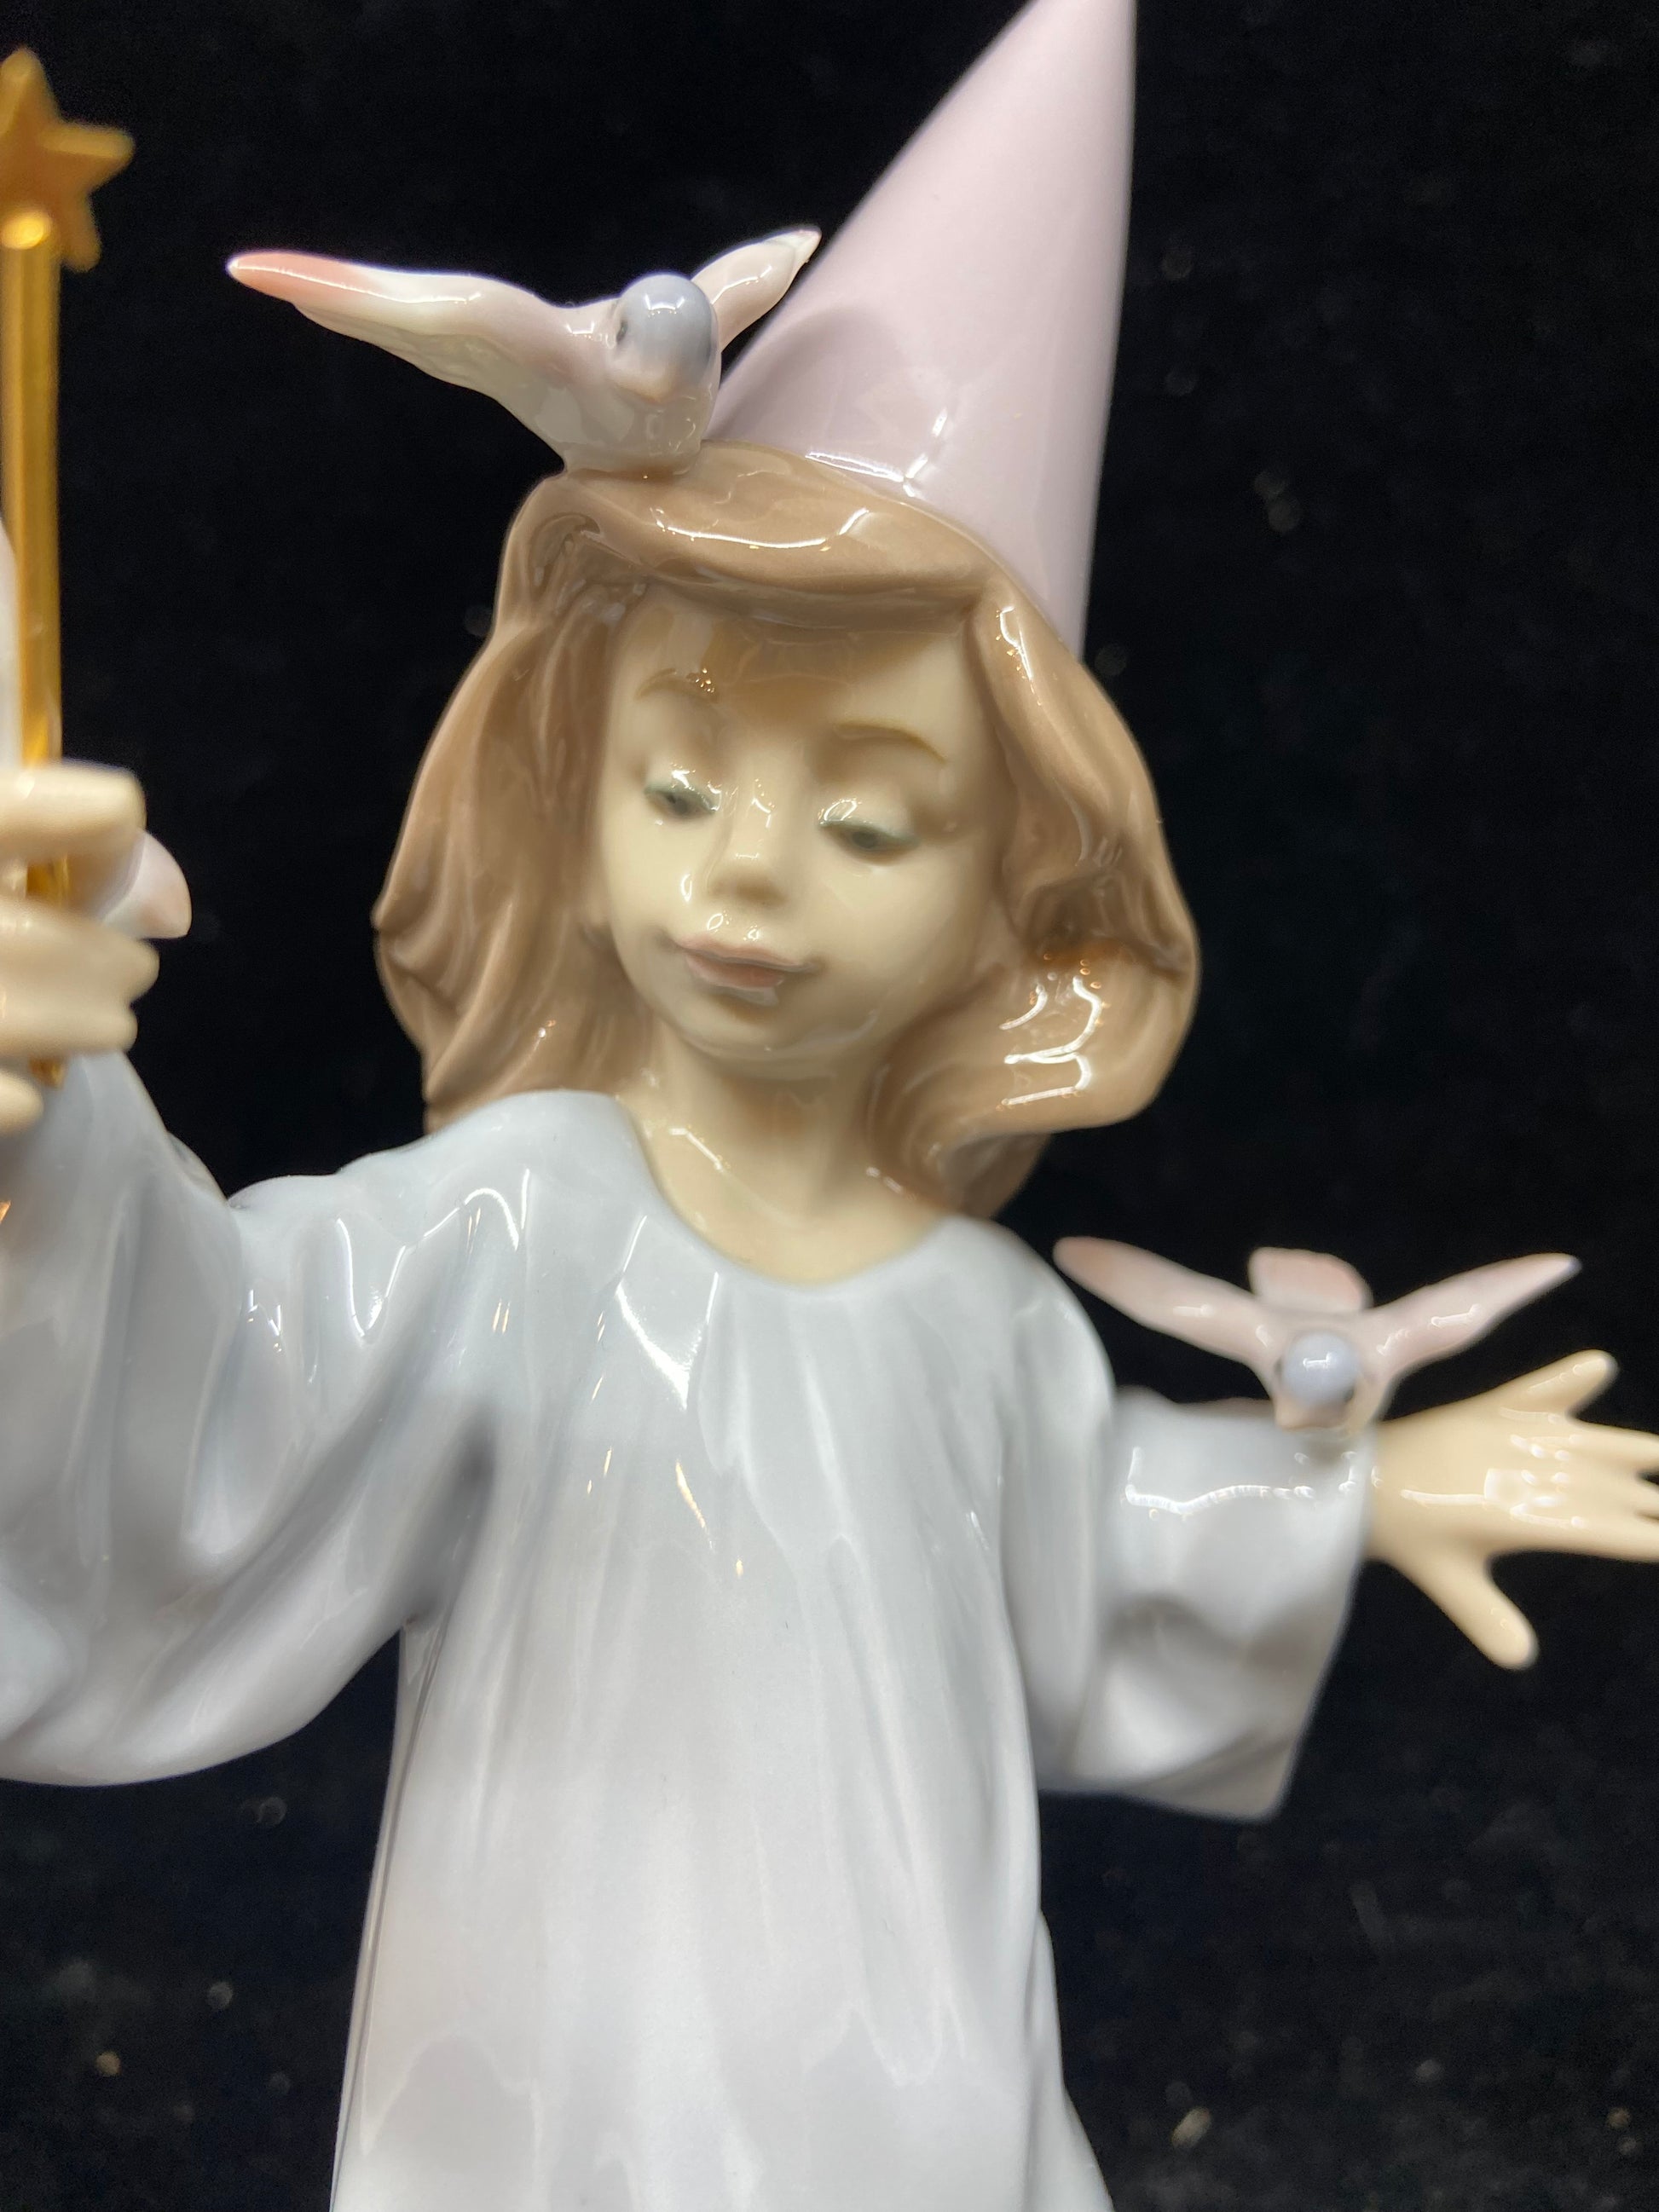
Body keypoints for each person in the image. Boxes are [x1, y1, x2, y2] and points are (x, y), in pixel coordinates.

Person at [2, 3, 1654, 2207]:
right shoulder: (519, 1225)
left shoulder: (981, 1324)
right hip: (562, 2106)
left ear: (1023, 891)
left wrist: (1340, 1497)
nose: (749, 874)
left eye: (869, 819)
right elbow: (202, 1398)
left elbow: (1097, 1546)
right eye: (677, 782)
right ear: (572, 789)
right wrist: (46, 1125)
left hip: (916, 2103)